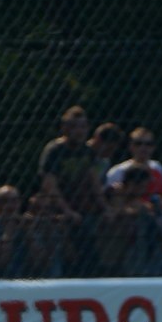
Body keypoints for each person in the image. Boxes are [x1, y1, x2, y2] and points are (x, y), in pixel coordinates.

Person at [39, 105, 103, 275]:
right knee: (62, 253)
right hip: (58, 209)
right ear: (64, 128)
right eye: (74, 126)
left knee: (90, 252)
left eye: (83, 127)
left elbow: (93, 180)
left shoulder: (87, 151)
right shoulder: (54, 151)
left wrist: (105, 206)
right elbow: (49, 185)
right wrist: (67, 211)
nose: (79, 131)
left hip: (83, 208)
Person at [106, 126, 162, 211]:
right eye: (138, 143)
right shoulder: (118, 171)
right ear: (130, 146)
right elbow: (112, 203)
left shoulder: (158, 167)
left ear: (154, 147)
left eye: (149, 144)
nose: (143, 148)